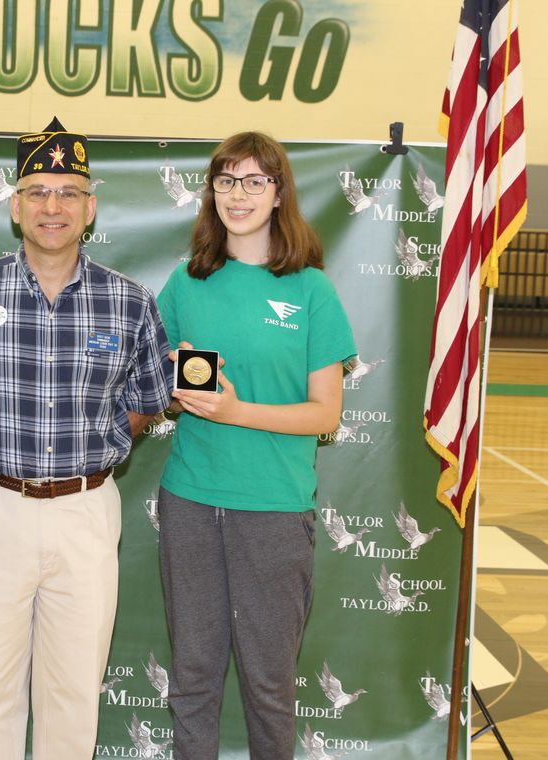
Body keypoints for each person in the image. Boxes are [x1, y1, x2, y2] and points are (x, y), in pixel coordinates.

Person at [0, 117, 172, 760]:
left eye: (69, 192)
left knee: (74, 687)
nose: (53, 206)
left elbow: (148, 400)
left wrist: (96, 441)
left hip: (85, 510)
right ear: (15, 206)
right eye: (38, 191)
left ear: (90, 207)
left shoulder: (128, 302)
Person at [156, 131, 356, 759]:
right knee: (192, 682)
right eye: (225, 181)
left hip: (273, 508)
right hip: (189, 501)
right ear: (210, 192)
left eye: (253, 181)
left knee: (269, 686)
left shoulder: (311, 290)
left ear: (278, 193)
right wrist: (171, 382)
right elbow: (156, 386)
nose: (237, 195)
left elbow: (326, 414)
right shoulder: (186, 283)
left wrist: (237, 409)